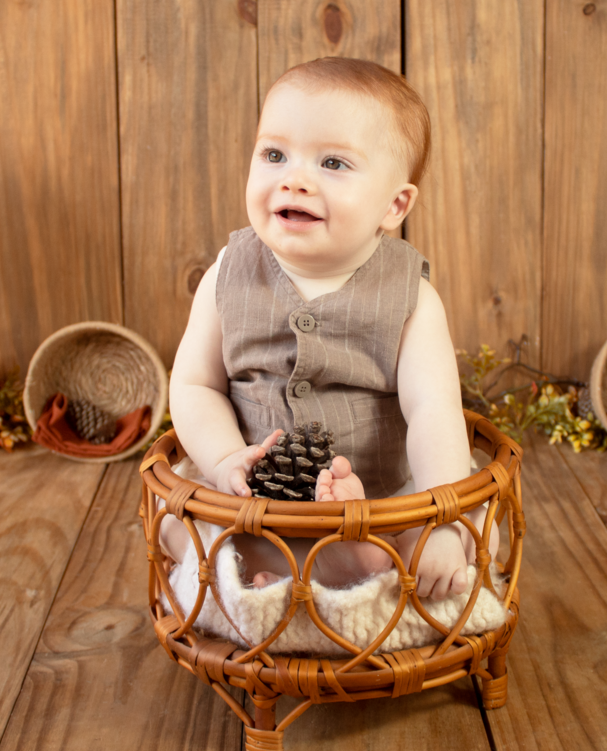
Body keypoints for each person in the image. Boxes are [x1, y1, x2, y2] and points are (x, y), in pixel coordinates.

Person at [162, 57, 489, 601]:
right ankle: (311, 569)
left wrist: (440, 518)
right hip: (250, 501)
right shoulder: (227, 272)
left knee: (476, 530)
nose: (294, 179)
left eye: (333, 163)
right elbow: (195, 384)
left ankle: (346, 560)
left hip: (380, 499)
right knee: (172, 512)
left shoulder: (411, 298)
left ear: (394, 205)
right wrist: (222, 460)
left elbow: (434, 412)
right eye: (274, 155)